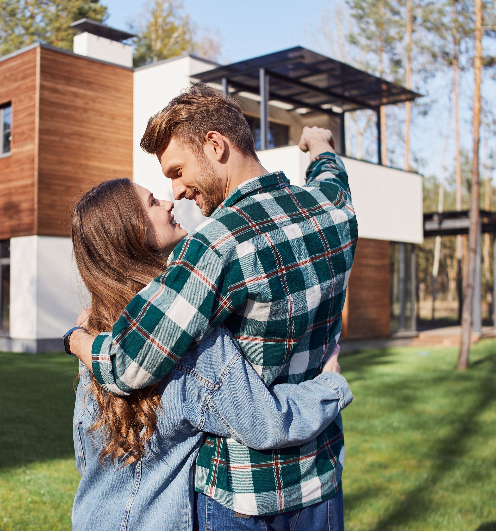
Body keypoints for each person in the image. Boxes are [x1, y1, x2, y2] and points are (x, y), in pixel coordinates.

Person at [66, 84, 357, 529]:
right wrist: (320, 144)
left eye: (178, 171)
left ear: (216, 145)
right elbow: (332, 178)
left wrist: (76, 339)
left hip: (242, 494)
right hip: (321, 478)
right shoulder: (333, 210)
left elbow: (127, 364)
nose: (177, 191)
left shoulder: (217, 243)